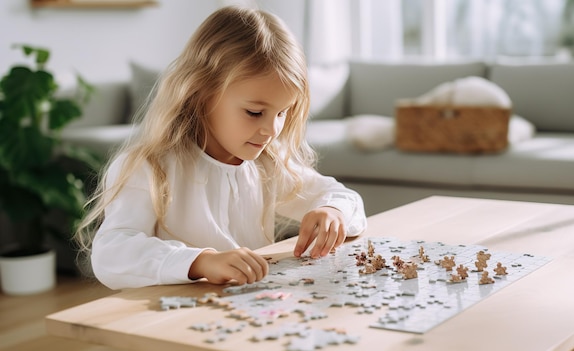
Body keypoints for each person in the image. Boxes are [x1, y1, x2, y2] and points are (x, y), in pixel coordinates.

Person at [74, 6, 367, 291]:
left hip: (249, 315)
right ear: (202, 93)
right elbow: (111, 254)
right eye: (255, 112)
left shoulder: (267, 164)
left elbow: (344, 198)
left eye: (282, 113)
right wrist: (201, 262)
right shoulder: (150, 167)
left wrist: (332, 211)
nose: (271, 130)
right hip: (171, 324)